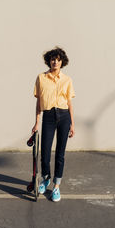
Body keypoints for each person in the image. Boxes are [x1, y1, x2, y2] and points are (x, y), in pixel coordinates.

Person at [32, 46, 75, 202]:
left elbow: (69, 103)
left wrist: (72, 123)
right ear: (48, 61)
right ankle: (45, 178)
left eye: (57, 59)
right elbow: (38, 102)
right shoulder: (41, 78)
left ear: (61, 62)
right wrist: (37, 122)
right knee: (44, 151)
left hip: (64, 116)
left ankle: (56, 187)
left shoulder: (67, 80)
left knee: (60, 154)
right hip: (48, 116)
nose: (54, 62)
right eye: (52, 59)